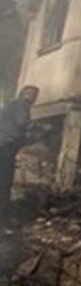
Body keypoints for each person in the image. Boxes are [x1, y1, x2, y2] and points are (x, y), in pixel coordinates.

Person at [0, 86, 39, 221]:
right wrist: (38, 128)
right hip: (5, 146)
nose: (33, 98)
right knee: (5, 181)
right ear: (23, 94)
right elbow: (22, 122)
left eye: (35, 95)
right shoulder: (21, 103)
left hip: (4, 144)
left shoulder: (11, 106)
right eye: (31, 94)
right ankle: (3, 216)